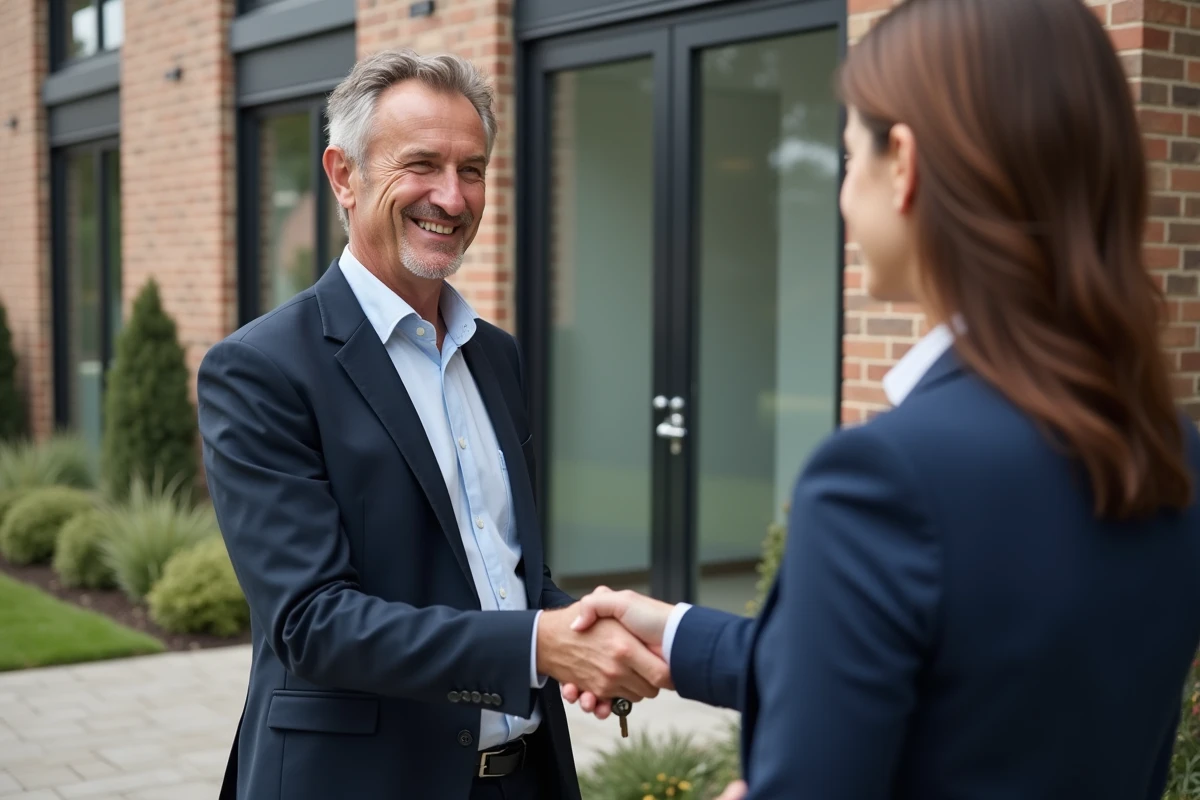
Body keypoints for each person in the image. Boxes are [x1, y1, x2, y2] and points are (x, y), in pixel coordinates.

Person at [564, 0, 1200, 797]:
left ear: (904, 163)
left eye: (845, 156)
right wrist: (679, 632)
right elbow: (963, 674)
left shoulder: (886, 478)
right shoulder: (1169, 450)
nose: (840, 195)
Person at [197, 49, 669, 800]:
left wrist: (588, 631)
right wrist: (536, 647)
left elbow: (505, 570)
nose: (452, 198)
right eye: (422, 165)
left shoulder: (497, 357)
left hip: (525, 779)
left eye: (473, 169)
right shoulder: (260, 370)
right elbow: (313, 622)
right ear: (343, 175)